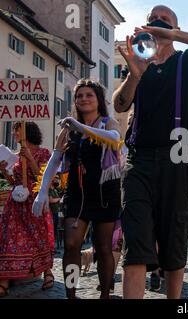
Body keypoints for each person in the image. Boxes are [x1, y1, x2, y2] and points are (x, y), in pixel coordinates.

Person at [113, 5, 188, 299]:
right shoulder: (139, 64)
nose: (157, 20)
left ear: (174, 29)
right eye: (153, 18)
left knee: (174, 241)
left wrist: (172, 34)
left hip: (176, 161)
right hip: (138, 161)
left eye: (165, 19)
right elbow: (119, 104)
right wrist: (135, 75)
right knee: (136, 243)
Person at [33, 79, 123, 299]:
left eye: (88, 95)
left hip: (105, 193)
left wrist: (80, 127)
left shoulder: (107, 122)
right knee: (72, 244)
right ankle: (71, 294)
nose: (83, 99)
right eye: (79, 96)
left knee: (103, 248)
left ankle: (104, 294)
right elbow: (55, 160)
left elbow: (114, 139)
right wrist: (42, 191)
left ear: (98, 99)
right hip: (77, 193)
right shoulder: (67, 129)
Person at [0, 122, 54, 297]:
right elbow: (13, 182)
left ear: (27, 133)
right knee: (9, 238)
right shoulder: (16, 157)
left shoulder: (44, 153)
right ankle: (4, 280)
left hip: (35, 200)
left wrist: (30, 158)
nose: (15, 135)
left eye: (17, 132)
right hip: (15, 204)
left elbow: (43, 178)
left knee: (39, 236)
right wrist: (4, 172)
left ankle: (47, 272)